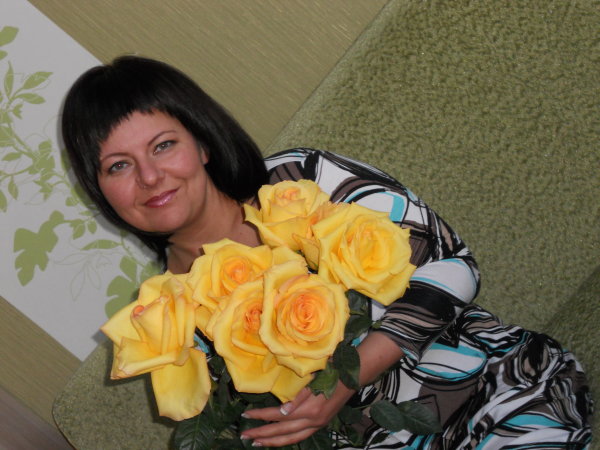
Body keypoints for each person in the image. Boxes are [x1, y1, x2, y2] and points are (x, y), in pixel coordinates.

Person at [61, 55, 593, 448]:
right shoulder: (167, 319)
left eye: (163, 145)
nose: (150, 177)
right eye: (118, 166)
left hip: (495, 390)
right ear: (100, 189)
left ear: (201, 143)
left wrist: (347, 376)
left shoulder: (301, 181)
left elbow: (454, 267)